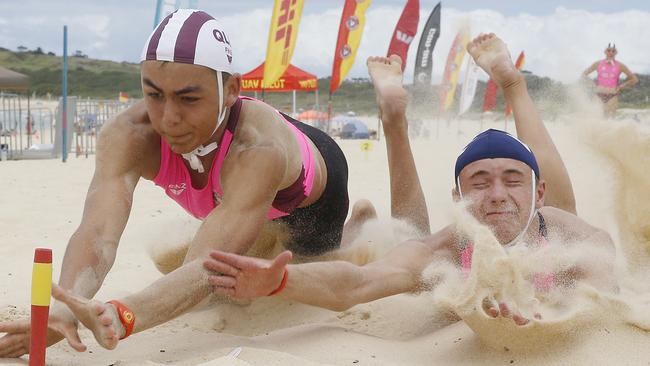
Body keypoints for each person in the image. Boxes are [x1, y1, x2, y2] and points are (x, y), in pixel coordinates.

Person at [0, 9, 422, 357]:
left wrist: (123, 314)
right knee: (232, 286)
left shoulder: (259, 150)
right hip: (233, 191)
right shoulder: (128, 134)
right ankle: (357, 225)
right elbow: (97, 232)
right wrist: (64, 310)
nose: (168, 118)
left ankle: (390, 123)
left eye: (188, 98)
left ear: (232, 90)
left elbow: (203, 266)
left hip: (312, 194)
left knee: (326, 267)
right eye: (153, 94)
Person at [195, 34, 617, 325]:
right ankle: (393, 119)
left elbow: (606, 292)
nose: (496, 194)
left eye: (512, 180)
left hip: (550, 220)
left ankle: (512, 83)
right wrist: (280, 281)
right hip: (453, 259)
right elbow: (360, 284)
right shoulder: (450, 247)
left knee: (555, 200)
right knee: (410, 242)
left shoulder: (570, 237)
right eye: (479, 182)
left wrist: (559, 314)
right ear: (459, 197)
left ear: (535, 193)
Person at [582, 43, 638, 118]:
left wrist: (621, 86)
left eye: (613, 51)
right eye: (609, 50)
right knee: (596, 119)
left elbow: (634, 79)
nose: (611, 53)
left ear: (616, 53)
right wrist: (592, 84)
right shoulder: (598, 64)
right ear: (605, 52)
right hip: (598, 95)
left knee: (610, 120)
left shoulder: (620, 65)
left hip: (612, 96)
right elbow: (583, 75)